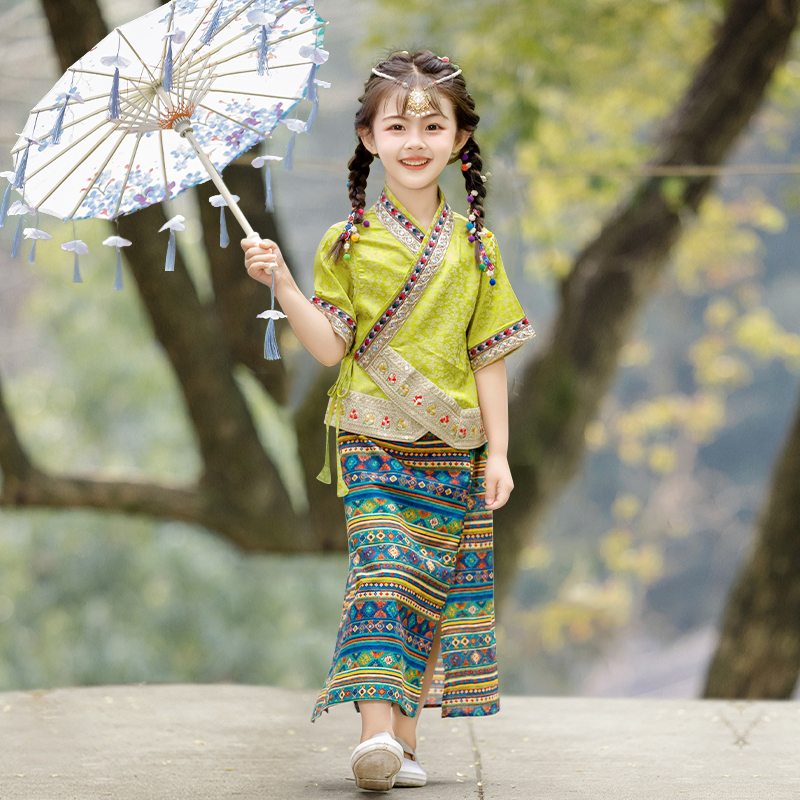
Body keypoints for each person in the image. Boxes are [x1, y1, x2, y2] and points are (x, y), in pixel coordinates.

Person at [242, 49, 534, 792]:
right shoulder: (346, 244)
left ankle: (401, 743)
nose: (415, 141)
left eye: (432, 126)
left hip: (456, 449)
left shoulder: (479, 247)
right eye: (396, 125)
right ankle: (373, 735)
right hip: (372, 443)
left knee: (433, 589)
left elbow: (488, 356)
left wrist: (498, 453)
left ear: (460, 140)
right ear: (368, 138)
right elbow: (330, 346)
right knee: (383, 571)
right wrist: (281, 281)